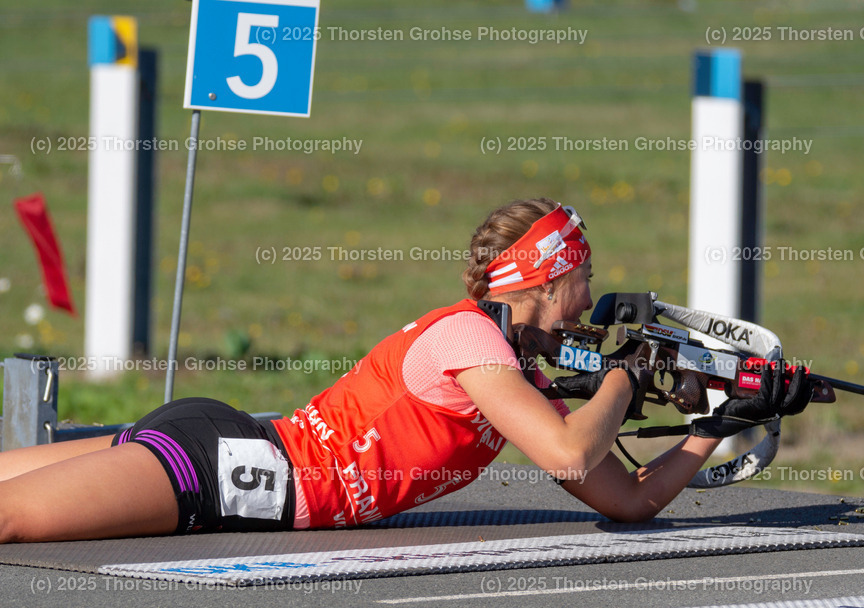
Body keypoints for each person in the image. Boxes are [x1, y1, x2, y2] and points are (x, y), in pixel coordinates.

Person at [0, 198, 812, 543]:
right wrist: (627, 379)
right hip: (218, 471)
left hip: (227, 452)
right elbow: (568, 452)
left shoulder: (515, 375)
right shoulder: (472, 342)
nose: (591, 298)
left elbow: (627, 500)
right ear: (551, 278)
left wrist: (717, 424)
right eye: (584, 280)